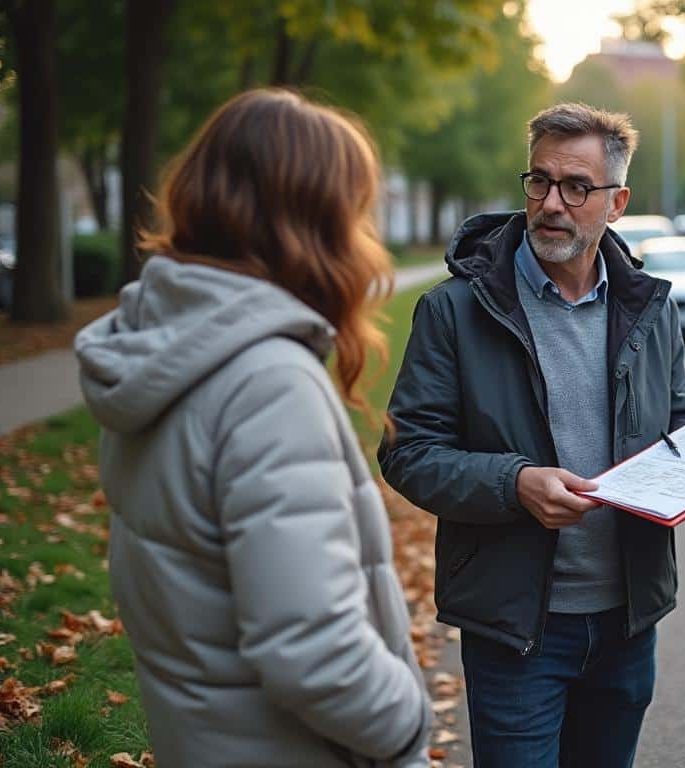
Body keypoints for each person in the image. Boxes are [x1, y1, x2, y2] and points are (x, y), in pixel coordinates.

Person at [378, 102, 685, 767]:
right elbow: (408, 452)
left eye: (576, 187)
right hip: (516, 629)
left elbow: (675, 426)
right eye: (540, 181)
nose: (552, 203)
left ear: (616, 203)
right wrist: (514, 483)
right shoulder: (455, 309)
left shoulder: (649, 306)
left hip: (627, 623)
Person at [75, 89, 432, 767]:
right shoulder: (268, 386)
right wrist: (408, 724)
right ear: (313, 221)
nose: (366, 236)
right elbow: (314, 652)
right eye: (356, 212)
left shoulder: (165, 346)